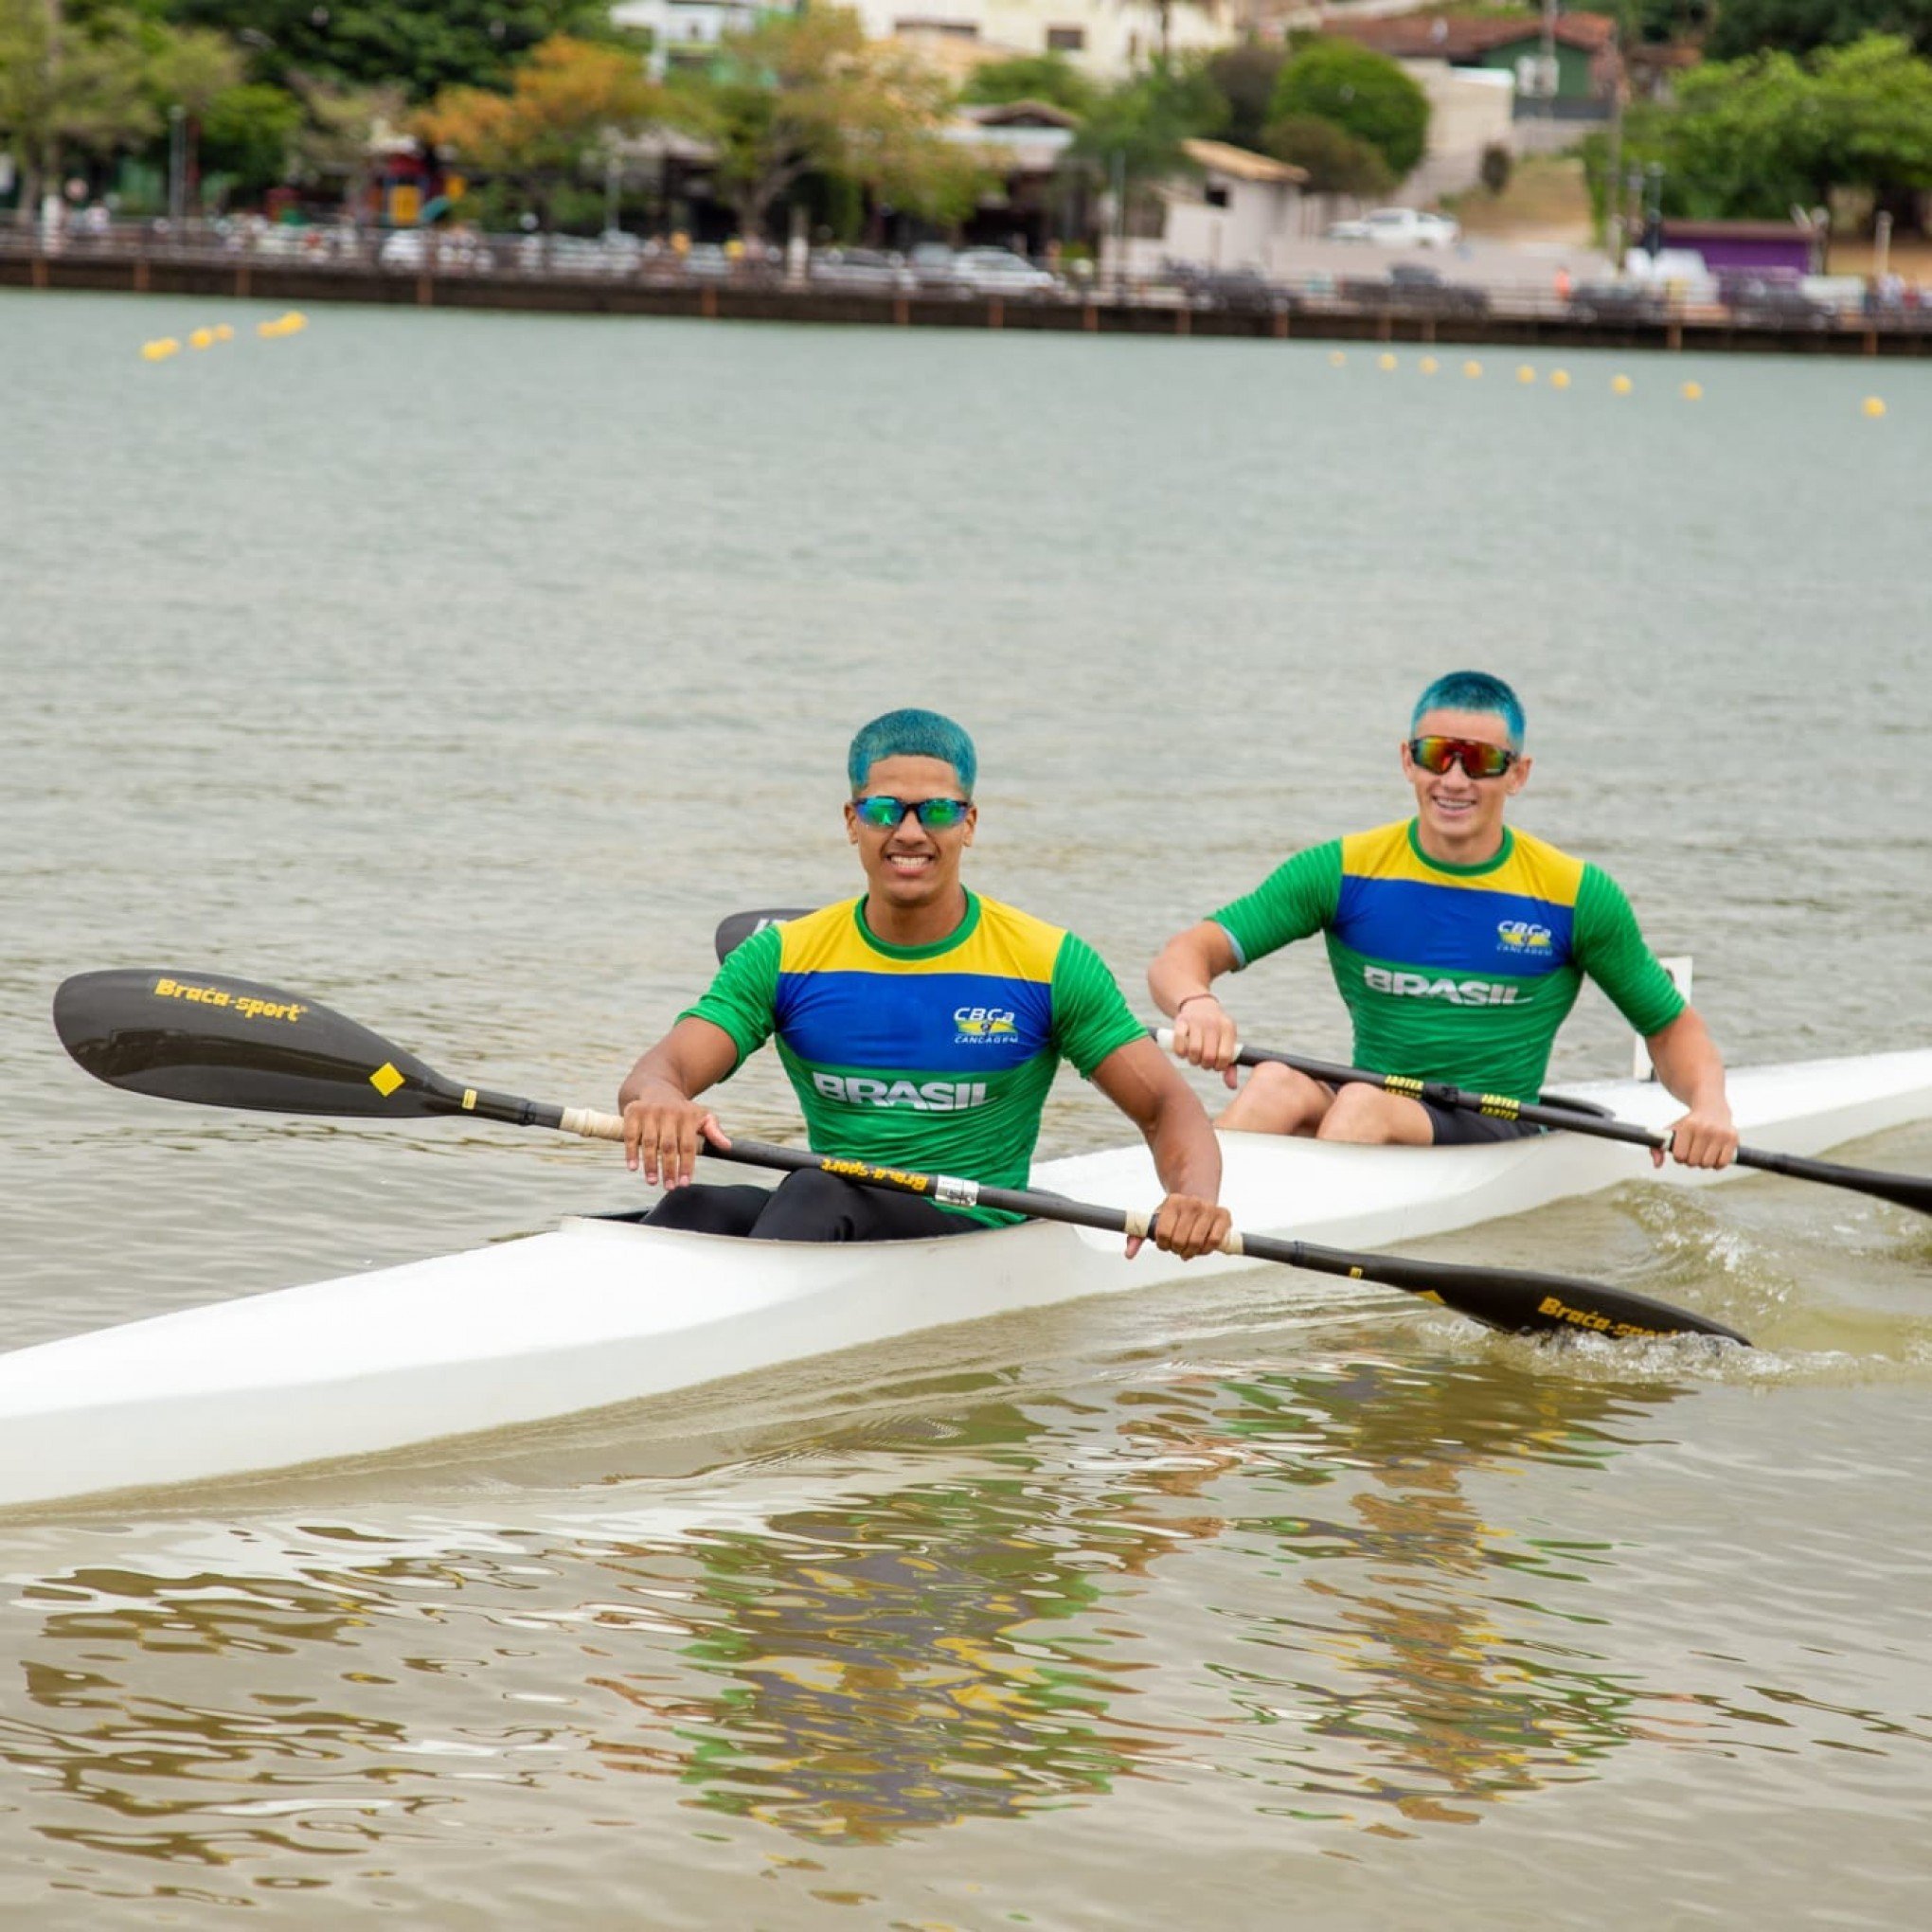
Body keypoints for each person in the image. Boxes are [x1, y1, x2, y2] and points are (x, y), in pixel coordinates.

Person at [620, 708, 1233, 1253]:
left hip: (969, 1234)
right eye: (884, 809)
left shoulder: (1046, 962)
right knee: (692, 1206)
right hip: (829, 1213)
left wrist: (1194, 1198)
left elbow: (1165, 1106)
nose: (909, 832)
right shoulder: (782, 956)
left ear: (967, 823)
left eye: (936, 810)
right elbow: (659, 1071)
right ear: (851, 820)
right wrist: (660, 1102)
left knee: (814, 1190)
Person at [1148, 671, 1737, 1168]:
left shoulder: (1574, 895)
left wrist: (1709, 1108)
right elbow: (1186, 954)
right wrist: (1195, 1003)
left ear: (1517, 774)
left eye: (1480, 762)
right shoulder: (1343, 870)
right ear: (1408, 761)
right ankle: (1194, 1221)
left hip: (1494, 1125)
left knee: (1359, 1105)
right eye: (1436, 756)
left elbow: (1669, 1026)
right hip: (1375, 1101)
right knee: (1274, 1081)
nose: (1454, 780)